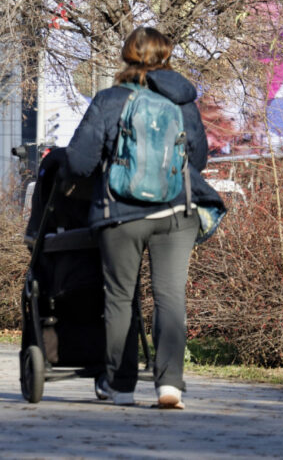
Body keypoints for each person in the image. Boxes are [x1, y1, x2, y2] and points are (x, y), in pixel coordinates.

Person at [61, 27, 225, 409]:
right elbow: (197, 160)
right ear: (166, 56)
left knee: (120, 298)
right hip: (174, 211)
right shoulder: (182, 102)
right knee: (170, 297)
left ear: (127, 56)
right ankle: (170, 386)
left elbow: (79, 162)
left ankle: (120, 387)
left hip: (121, 212)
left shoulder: (109, 100)